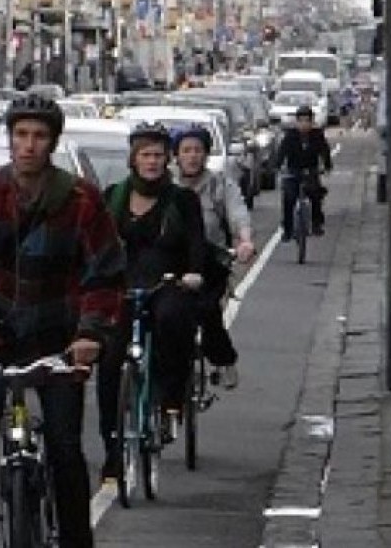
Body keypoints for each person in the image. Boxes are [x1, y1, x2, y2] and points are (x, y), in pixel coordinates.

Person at [0, 94, 126, 547]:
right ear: (10, 140)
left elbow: (106, 275)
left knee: (66, 447)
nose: (29, 145)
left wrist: (91, 333)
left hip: (57, 335)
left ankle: (75, 537)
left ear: (52, 143)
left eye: (38, 136)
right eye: (21, 135)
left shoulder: (81, 200)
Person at [97, 121, 206, 480]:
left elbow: (196, 244)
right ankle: (113, 448)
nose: (152, 162)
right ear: (133, 159)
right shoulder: (113, 195)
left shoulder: (182, 200)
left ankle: (171, 395)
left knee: (173, 318)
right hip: (122, 286)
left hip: (167, 282)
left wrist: (193, 273)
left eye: (159, 155)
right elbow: (94, 245)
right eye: (145, 155)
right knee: (111, 362)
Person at [172, 124, 255, 389]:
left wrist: (244, 241)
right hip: (172, 262)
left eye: (198, 150)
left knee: (207, 313)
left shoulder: (220, 184)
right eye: (186, 150)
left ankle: (224, 359)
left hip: (210, 263)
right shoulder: (166, 185)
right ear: (176, 155)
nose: (192, 156)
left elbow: (237, 212)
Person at [274, 105, 332, 241]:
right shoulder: (290, 135)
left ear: (312, 122)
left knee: (316, 194)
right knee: (289, 197)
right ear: (297, 122)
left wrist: (327, 166)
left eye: (307, 120)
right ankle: (287, 230)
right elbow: (282, 152)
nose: (304, 124)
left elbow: (325, 151)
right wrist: (277, 166)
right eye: (301, 121)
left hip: (311, 170)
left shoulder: (317, 135)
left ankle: (316, 224)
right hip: (293, 171)